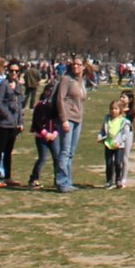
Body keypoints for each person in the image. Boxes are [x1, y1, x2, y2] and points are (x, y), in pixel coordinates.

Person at [53, 58, 88, 192]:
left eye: (79, 64)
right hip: (68, 119)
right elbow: (60, 99)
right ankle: (62, 182)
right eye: (74, 64)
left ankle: (68, 180)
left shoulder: (81, 81)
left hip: (78, 119)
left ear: (83, 66)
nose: (76, 66)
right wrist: (64, 119)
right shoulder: (66, 79)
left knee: (71, 153)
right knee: (65, 151)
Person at [0, 64, 25, 187]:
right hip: (3, 124)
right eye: (11, 71)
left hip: (14, 125)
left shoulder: (19, 86)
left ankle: (8, 177)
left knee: (9, 151)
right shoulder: (3, 84)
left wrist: (20, 122)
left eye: (16, 71)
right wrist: (8, 116)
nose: (14, 73)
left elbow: (20, 105)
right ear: (7, 71)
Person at [100, 95, 133, 189]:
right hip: (108, 144)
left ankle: (118, 179)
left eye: (116, 109)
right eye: (111, 109)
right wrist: (100, 137)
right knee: (109, 163)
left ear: (120, 110)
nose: (113, 111)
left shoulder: (124, 121)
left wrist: (119, 142)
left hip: (119, 146)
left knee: (118, 162)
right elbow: (102, 130)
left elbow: (125, 135)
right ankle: (108, 181)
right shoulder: (107, 119)